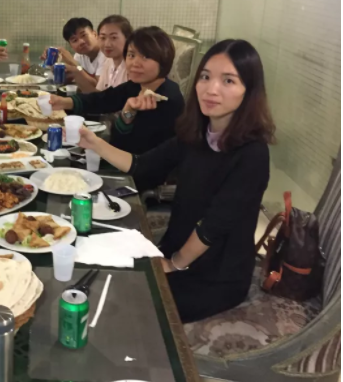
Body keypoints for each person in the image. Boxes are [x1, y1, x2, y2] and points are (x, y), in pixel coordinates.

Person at [78, 39, 275, 322]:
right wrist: (94, 143)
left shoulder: (252, 154)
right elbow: (142, 165)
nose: (211, 89)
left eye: (228, 80)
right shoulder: (197, 133)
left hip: (214, 276)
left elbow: (213, 227)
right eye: (205, 77)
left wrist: (175, 264)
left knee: (121, 312)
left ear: (249, 90)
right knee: (97, 276)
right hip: (174, 248)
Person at [51, 26, 184, 157]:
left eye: (145, 57)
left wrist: (127, 114)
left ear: (163, 59)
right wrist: (63, 102)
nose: (135, 63)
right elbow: (104, 99)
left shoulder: (166, 100)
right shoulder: (137, 86)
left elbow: (133, 150)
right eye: (131, 55)